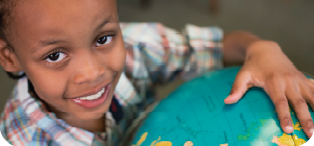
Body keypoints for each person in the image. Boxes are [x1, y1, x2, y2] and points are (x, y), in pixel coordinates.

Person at [0, 0, 313, 145]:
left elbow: (221, 46)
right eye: (55, 55)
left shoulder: (137, 45)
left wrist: (262, 50)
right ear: (10, 58)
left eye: (103, 38)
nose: (92, 72)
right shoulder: (20, 140)